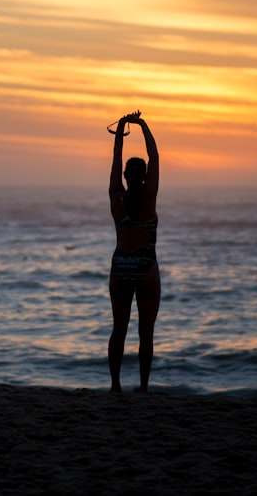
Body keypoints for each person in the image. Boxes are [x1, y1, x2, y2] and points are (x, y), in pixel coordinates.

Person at [107, 110, 160, 393]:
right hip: (145, 267)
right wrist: (142, 125)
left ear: (126, 175)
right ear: (146, 176)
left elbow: (115, 162)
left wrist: (121, 129)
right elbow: (156, 157)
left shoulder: (117, 196)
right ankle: (142, 387)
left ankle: (115, 385)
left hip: (121, 267)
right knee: (145, 332)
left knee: (119, 329)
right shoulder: (149, 197)